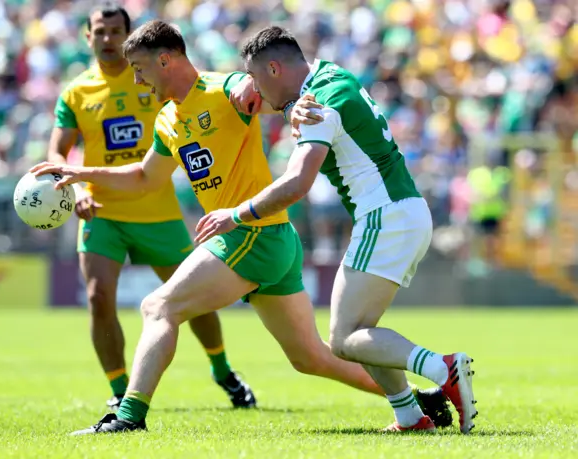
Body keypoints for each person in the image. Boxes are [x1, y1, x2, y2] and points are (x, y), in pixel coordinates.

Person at [32, 19, 452, 435]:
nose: (138, 80)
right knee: (311, 358)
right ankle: (418, 403)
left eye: (141, 68)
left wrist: (294, 106)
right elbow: (145, 178)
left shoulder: (227, 88)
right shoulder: (166, 120)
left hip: (249, 234)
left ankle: (127, 417)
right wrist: (78, 172)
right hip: (272, 240)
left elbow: (267, 86)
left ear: (166, 60)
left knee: (159, 307)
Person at [195, 26, 478, 433]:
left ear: (274, 68)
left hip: (386, 215)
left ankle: (442, 367)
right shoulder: (331, 76)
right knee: (360, 331)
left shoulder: (316, 102)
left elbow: (297, 183)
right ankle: (410, 417)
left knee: (345, 340)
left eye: (256, 78)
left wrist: (237, 214)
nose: (256, 90)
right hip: (400, 211)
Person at [47, 3, 255, 410]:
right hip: (101, 212)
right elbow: (59, 149)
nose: (107, 39)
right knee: (97, 296)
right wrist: (77, 188)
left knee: (193, 299)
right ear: (87, 37)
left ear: (127, 36)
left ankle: (223, 371)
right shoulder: (76, 93)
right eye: (99, 31)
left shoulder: (152, 78)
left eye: (114, 31)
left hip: (158, 212)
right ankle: (120, 388)